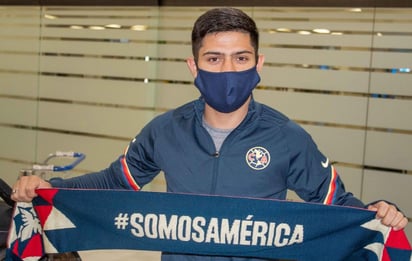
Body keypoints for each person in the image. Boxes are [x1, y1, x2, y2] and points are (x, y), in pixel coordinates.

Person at [11, 7, 408, 261]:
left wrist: (379, 212)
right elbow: (117, 182)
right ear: (193, 65)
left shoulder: (288, 138)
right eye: (214, 59)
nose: (228, 71)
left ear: (259, 63)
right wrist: (50, 189)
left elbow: (337, 204)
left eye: (241, 58)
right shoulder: (164, 130)